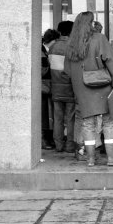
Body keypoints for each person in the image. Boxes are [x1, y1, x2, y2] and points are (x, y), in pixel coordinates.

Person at [64, 11, 113, 167]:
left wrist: (79, 81)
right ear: (89, 24)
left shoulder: (71, 42)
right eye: (92, 22)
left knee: (88, 124)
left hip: (81, 88)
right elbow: (110, 60)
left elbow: (67, 70)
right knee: (109, 122)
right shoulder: (99, 38)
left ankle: (90, 159)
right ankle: (112, 159)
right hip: (102, 85)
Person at [48, 21, 75, 153]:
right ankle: (70, 145)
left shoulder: (52, 47)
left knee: (57, 118)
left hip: (56, 88)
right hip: (70, 88)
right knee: (70, 118)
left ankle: (58, 145)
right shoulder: (72, 47)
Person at [41, 29, 60, 150]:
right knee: (43, 114)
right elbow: (41, 71)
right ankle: (43, 140)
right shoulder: (42, 53)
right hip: (43, 87)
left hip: (46, 86)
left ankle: (48, 139)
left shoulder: (45, 51)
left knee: (47, 114)